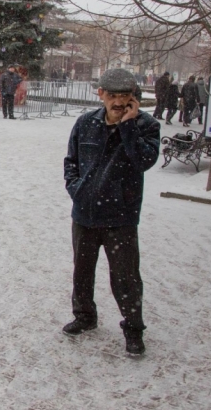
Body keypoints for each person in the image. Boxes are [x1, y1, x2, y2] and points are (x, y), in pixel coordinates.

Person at [62, 68, 160, 357]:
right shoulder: (85, 123)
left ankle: (133, 329)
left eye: (124, 96)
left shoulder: (146, 126)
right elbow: (71, 161)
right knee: (82, 272)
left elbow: (143, 160)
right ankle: (84, 316)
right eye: (113, 95)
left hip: (120, 217)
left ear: (133, 98)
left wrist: (127, 127)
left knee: (125, 277)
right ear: (100, 94)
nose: (118, 102)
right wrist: (76, 189)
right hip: (85, 214)